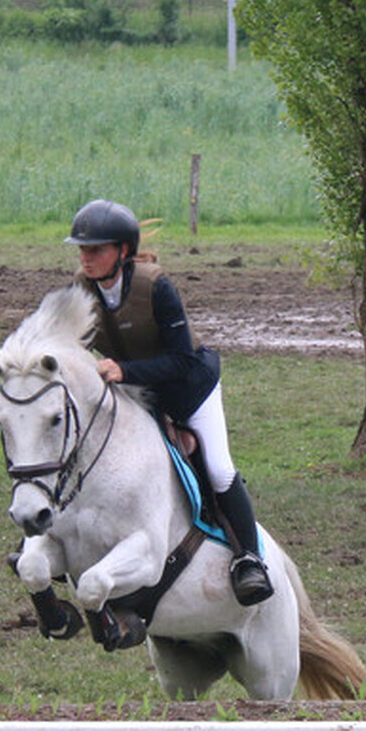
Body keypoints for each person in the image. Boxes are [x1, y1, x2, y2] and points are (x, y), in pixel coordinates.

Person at [68, 198, 273, 607]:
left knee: (216, 467)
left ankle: (250, 560)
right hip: (142, 394)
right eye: (82, 249)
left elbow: (181, 359)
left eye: (97, 249)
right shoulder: (83, 288)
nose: (86, 258)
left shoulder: (155, 286)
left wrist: (124, 371)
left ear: (123, 252)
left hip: (190, 388)